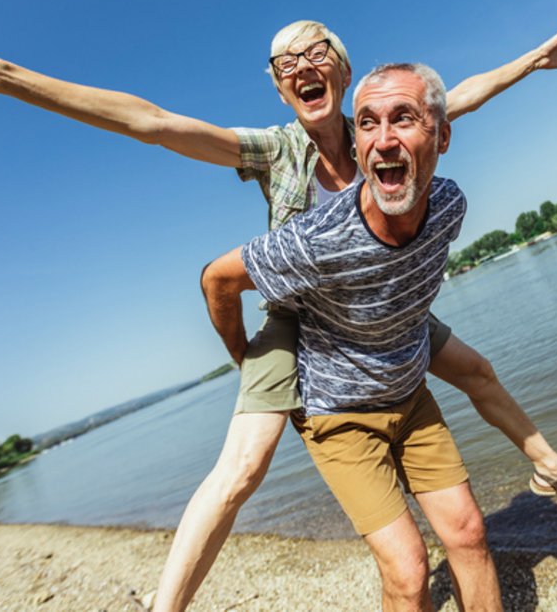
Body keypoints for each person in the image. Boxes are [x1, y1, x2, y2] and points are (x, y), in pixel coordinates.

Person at [0, 17, 557, 611]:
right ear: (282, 89)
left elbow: (465, 93)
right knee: (241, 469)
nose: (298, 62)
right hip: (296, 317)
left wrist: (531, 61)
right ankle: (169, 604)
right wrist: (3, 76)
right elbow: (151, 122)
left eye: (315, 48)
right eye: (281, 60)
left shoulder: (387, 131)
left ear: (344, 70)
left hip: (379, 307)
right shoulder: (275, 148)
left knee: (476, 370)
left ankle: (549, 466)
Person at [201, 63, 500, 610]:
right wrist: (245, 357)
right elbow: (217, 278)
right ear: (356, 143)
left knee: (469, 534)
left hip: (410, 398)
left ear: (443, 135)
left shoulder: (449, 207)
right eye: (366, 123)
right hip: (339, 417)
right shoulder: (317, 239)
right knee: (409, 571)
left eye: (403, 119)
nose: (383, 139)